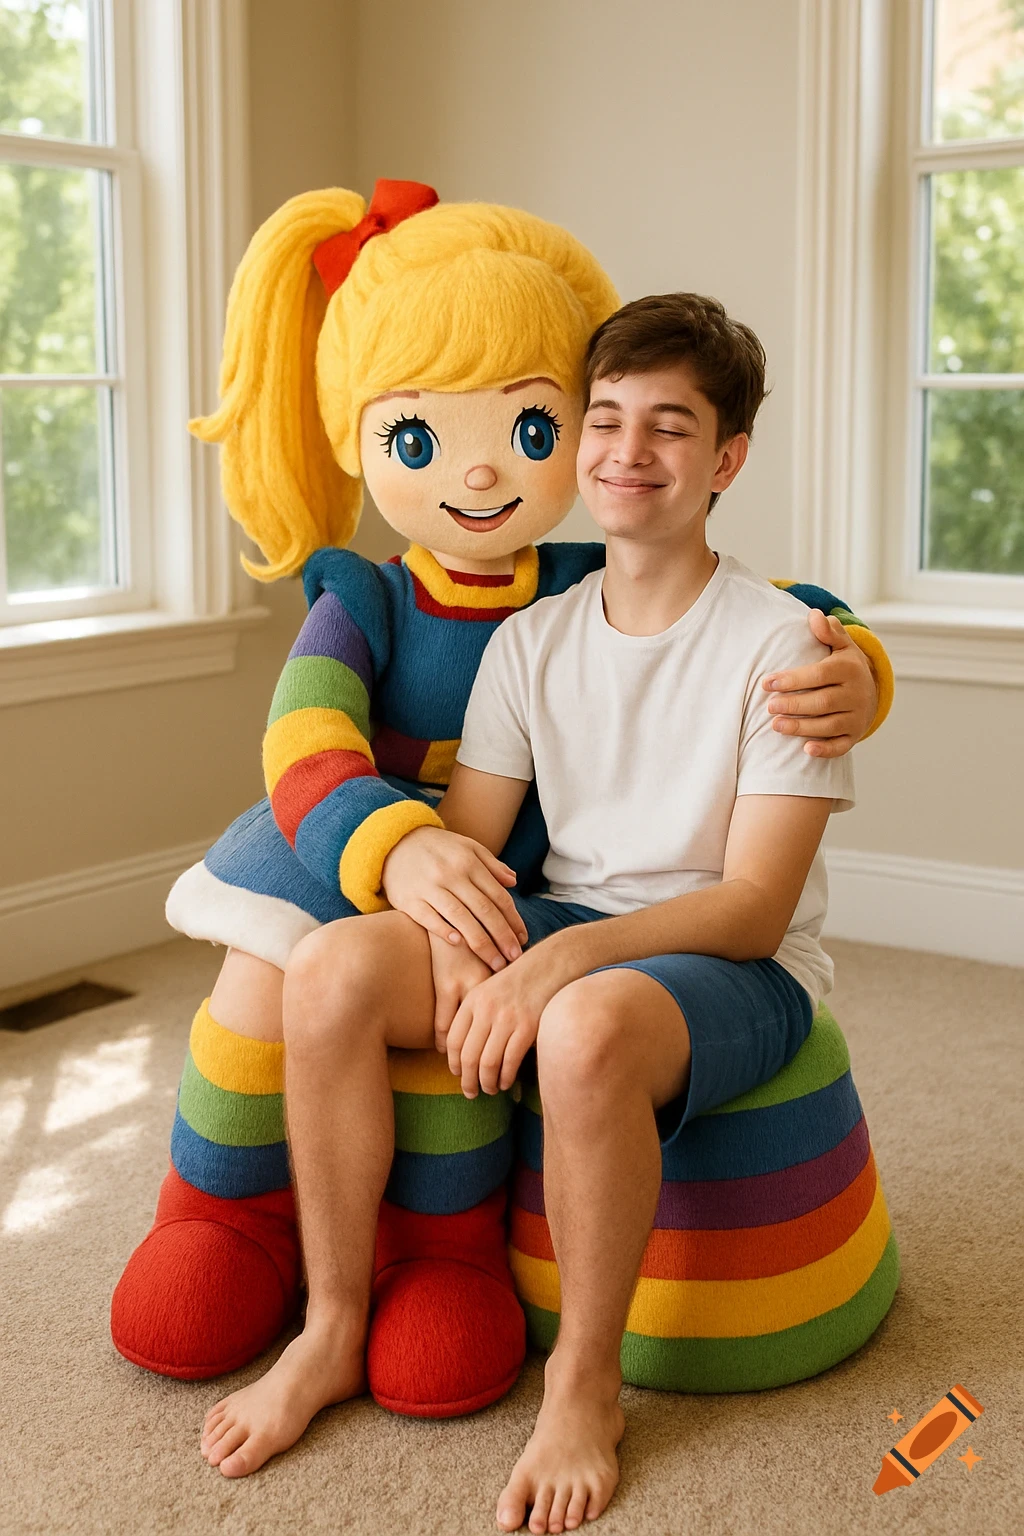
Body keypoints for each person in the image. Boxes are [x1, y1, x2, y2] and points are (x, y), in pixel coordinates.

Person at [111, 185, 891, 1416]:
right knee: (330, 971)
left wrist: (542, 970)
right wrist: (468, 940)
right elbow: (469, 847)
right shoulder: (532, 639)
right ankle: (331, 1323)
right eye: (609, 420)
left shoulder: (788, 647)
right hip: (563, 917)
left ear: (725, 458)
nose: (630, 453)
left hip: (732, 968)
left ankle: (581, 1387)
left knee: (580, 1032)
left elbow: (749, 909)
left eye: (672, 428)